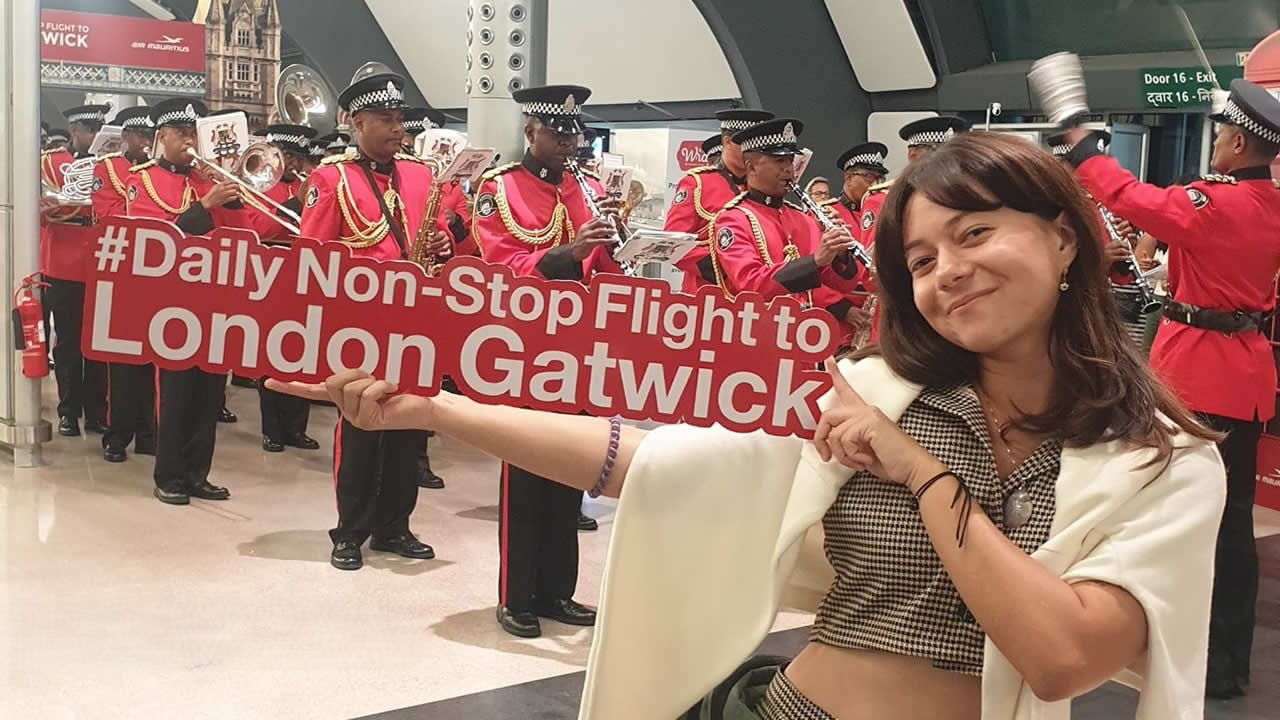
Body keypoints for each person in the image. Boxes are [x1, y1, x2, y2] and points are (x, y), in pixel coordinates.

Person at [271, 131, 1226, 720]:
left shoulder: (1159, 459)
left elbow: (1062, 657)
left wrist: (922, 473)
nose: (949, 272)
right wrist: (436, 408)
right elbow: (652, 463)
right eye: (922, 259)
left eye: (975, 234)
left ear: (1062, 236)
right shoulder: (877, 392)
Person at [1063, 78, 1280, 699]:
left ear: (1238, 143)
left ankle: (1163, 641)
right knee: (1231, 520)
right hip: (1244, 376)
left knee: (1167, 511)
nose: (1216, 141)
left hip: (1195, 374)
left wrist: (1083, 147)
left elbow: (1131, 198)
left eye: (1222, 132)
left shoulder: (1216, 204)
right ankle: (1225, 660)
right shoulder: (1269, 205)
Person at [470, 83, 623, 637]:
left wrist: (617, 245)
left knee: (570, 468)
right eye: (558, 133)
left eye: (574, 133)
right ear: (530, 131)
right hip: (526, 349)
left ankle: (558, 591)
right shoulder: (499, 188)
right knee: (526, 470)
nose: (568, 143)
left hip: (579, 349)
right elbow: (500, 265)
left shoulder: (588, 189)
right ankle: (516, 597)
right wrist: (570, 252)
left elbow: (605, 272)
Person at [299, 72, 449, 571]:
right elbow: (313, 257)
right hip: (359, 324)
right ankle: (349, 531)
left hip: (416, 320)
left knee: (408, 426)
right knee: (360, 428)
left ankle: (394, 526)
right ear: (357, 123)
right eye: (385, 119)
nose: (398, 127)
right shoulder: (331, 179)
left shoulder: (421, 175)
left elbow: (438, 235)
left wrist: (444, 243)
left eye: (399, 118)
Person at [125, 98, 251, 505]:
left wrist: (233, 199)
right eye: (181, 133)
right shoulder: (142, 180)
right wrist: (205, 205)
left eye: (194, 133)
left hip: (214, 299)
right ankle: (169, 474)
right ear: (162, 136)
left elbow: (243, 236)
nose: (189, 141)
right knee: (175, 392)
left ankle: (198, 473)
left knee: (210, 392)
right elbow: (153, 241)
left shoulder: (208, 179)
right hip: (171, 302)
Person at [708, 118, 866, 340]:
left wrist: (839, 253)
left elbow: (841, 285)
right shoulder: (733, 219)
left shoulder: (803, 219)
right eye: (779, 161)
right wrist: (815, 260)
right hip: (753, 336)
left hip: (801, 336)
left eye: (790, 160)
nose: (788, 169)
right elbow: (751, 284)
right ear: (751, 167)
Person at [41, 103, 111, 438]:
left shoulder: (108, 165)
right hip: (64, 262)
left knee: (98, 344)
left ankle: (96, 412)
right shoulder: (51, 163)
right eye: (89, 130)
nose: (95, 137)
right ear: (73, 130)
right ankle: (69, 411)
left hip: (101, 261)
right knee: (68, 342)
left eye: (99, 130)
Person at [1045, 130, 1150, 346]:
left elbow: (1118, 277)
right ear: (1061, 166)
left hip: (1097, 312)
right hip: (1062, 315)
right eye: (1081, 167)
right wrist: (1100, 261)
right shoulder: (1048, 208)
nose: (1090, 175)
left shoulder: (1096, 204)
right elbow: (1047, 271)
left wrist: (1126, 248)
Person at [95, 106, 157, 462]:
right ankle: (117, 436)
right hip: (122, 275)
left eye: (151, 136)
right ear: (125, 137)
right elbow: (108, 216)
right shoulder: (108, 169)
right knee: (122, 363)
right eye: (140, 136)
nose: (146, 142)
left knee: (153, 360)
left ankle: (148, 434)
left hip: (158, 276)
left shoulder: (163, 173)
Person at [666, 109, 774, 294]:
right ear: (727, 141)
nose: (753, 153)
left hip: (758, 292)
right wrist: (726, 269)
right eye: (746, 145)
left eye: (757, 147)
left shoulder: (766, 186)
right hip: (707, 293)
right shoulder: (697, 183)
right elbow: (672, 242)